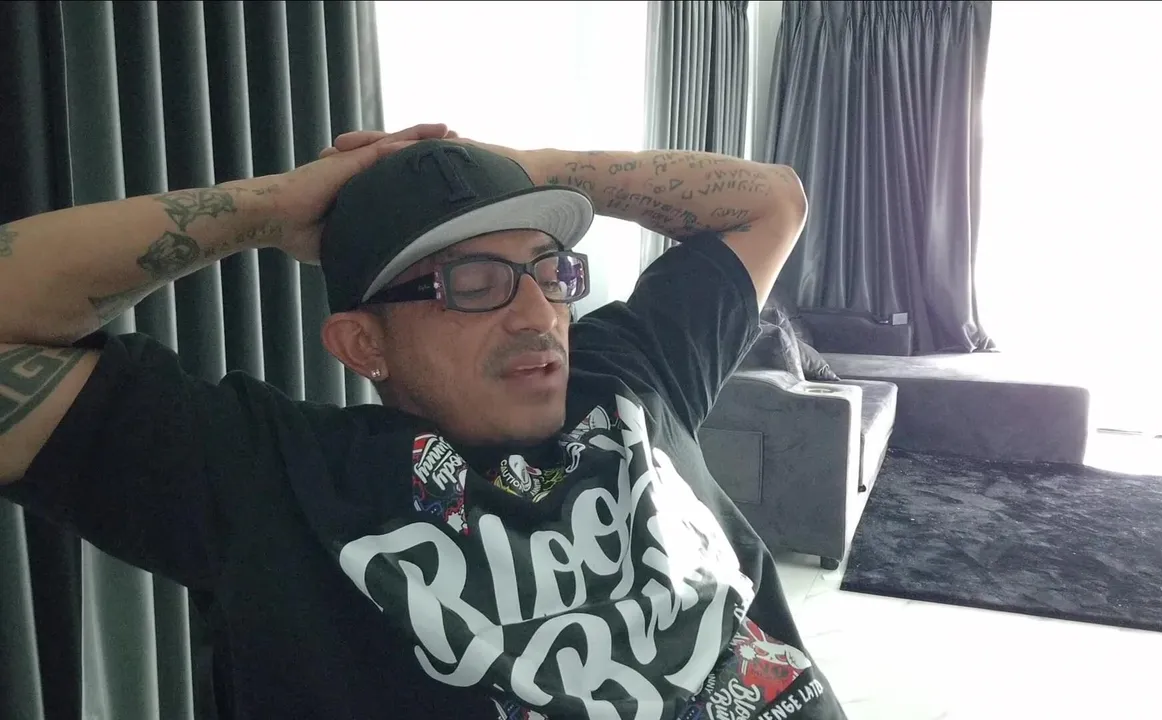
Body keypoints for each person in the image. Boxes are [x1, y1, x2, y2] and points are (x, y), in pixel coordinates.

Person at [0, 122, 845, 720]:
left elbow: (771, 201)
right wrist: (270, 209)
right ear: (363, 343)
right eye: (473, 284)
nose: (538, 316)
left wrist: (522, 171)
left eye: (549, 271)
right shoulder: (272, 482)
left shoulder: (626, 371)